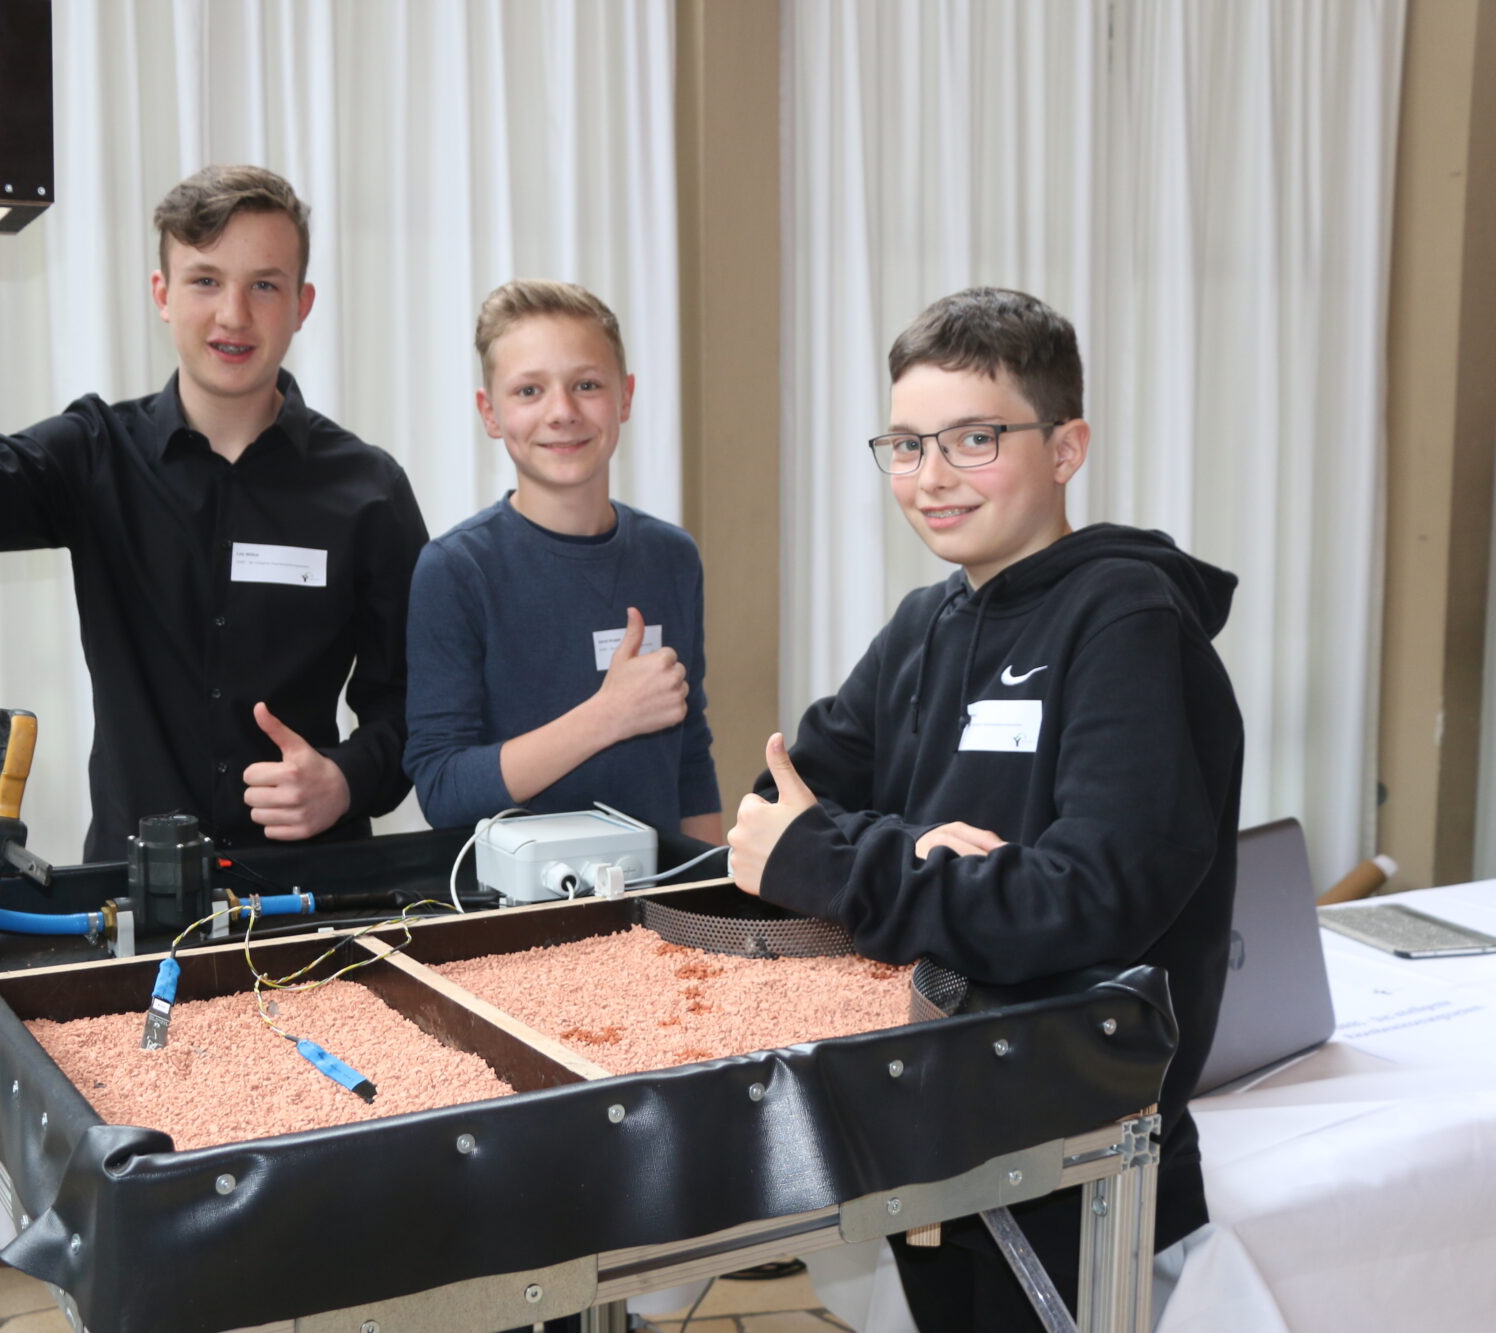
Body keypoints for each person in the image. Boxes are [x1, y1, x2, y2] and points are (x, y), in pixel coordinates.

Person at [725, 287, 1242, 1331]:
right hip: (936, 1120)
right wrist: (910, 847)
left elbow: (1090, 898)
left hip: (1074, 1152)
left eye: (974, 439)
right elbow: (771, 820)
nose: (931, 477)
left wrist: (851, 862)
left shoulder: (1128, 621)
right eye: (906, 445)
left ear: (1065, 447)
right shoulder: (925, 623)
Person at [0, 165, 428, 860]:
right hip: (125, 897)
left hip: (307, 891)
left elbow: (416, 707)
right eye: (206, 280)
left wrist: (345, 779)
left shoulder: (369, 490)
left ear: (302, 303)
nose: (233, 315)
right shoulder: (96, 454)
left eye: (264, 285)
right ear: (163, 294)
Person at [402, 279, 722, 843]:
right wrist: (607, 716)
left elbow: (689, 754)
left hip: (659, 887)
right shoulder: (455, 570)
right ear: (490, 413)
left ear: (625, 397)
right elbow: (443, 788)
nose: (562, 412)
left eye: (587, 385)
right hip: (513, 894)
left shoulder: (672, 557)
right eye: (529, 391)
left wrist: (714, 883)